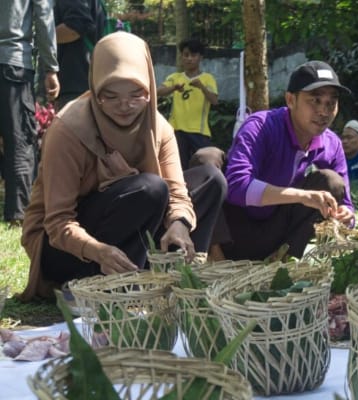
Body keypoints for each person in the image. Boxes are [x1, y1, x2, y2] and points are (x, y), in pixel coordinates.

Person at [19, 31, 226, 301]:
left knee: (211, 179)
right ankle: (96, 285)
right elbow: (58, 223)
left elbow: (178, 193)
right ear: (95, 90)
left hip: (131, 236)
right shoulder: (68, 130)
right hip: (65, 252)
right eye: (111, 96)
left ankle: (174, 279)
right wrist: (98, 250)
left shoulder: (158, 128)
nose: (125, 106)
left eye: (136, 94)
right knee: (149, 188)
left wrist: (180, 223)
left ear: (150, 90)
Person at [209, 60, 355, 261]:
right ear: (290, 100)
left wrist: (345, 214)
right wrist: (302, 196)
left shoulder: (332, 143)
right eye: (314, 100)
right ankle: (215, 257)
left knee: (331, 182)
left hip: (277, 236)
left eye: (331, 103)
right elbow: (237, 187)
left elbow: (347, 203)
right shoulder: (261, 126)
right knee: (207, 159)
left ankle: (284, 265)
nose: (324, 111)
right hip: (235, 232)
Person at [0, 0, 60, 226]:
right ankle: (19, 213)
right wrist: (51, 67)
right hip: (12, 61)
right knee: (20, 139)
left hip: (12, 59)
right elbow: (44, 17)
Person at [157, 38, 218, 171]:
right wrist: (173, 88)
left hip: (199, 132)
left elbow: (214, 100)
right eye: (186, 55)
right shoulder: (175, 77)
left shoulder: (208, 79)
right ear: (181, 57)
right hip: (177, 131)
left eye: (193, 55)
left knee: (206, 167)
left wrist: (202, 87)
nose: (189, 58)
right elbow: (158, 92)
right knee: (178, 169)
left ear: (200, 57)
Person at [54, 0, 105, 110]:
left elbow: (75, 27)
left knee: (74, 126)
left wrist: (41, 37)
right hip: (92, 79)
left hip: (76, 81)